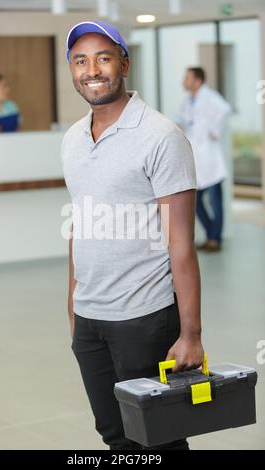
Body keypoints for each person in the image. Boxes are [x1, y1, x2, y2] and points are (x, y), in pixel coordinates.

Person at [61, 20, 204, 451]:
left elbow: (180, 241)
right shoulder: (72, 139)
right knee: (113, 434)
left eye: (103, 58)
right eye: (80, 60)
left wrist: (191, 332)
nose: (92, 70)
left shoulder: (161, 136)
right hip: (89, 317)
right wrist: (72, 305)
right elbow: (79, 222)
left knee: (156, 438)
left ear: (124, 63)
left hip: (144, 316)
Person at [176, 67, 231, 252]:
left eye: (187, 77)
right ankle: (211, 235)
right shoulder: (188, 101)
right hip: (197, 159)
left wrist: (215, 131)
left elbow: (225, 109)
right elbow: (181, 120)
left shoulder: (209, 96)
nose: (184, 80)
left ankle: (215, 239)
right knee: (196, 202)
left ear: (197, 81)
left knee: (216, 203)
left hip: (210, 158)